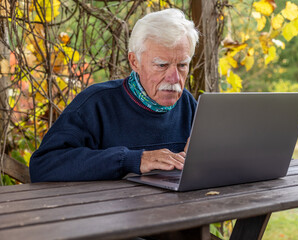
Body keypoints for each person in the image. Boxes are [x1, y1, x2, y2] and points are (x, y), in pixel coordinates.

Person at [29, 8, 199, 182]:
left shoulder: (188, 104)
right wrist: (132, 160)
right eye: (162, 65)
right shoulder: (97, 104)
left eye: (182, 65)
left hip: (176, 207)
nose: (175, 78)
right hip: (110, 209)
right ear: (135, 62)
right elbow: (42, 166)